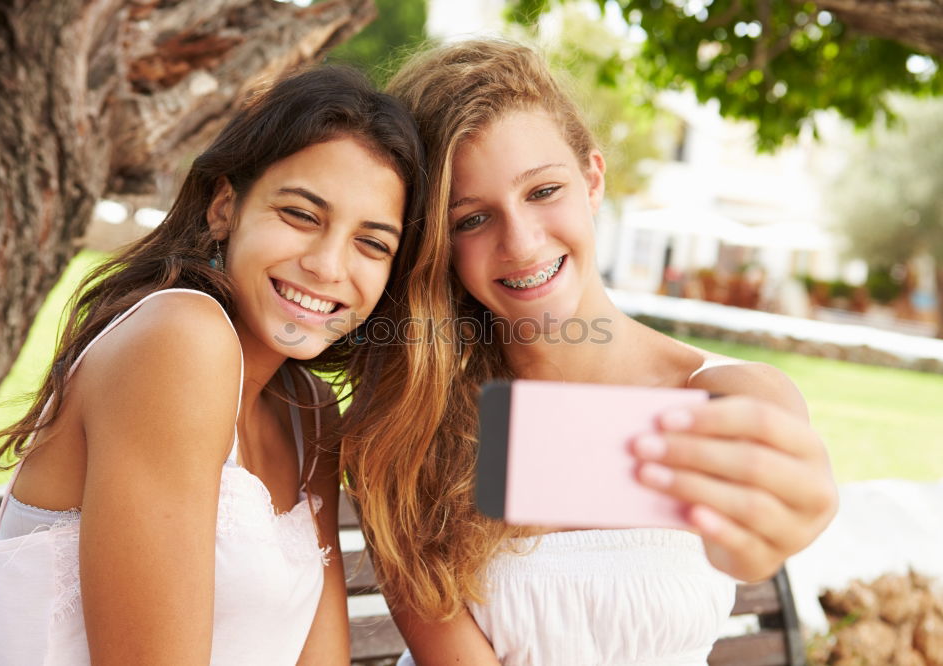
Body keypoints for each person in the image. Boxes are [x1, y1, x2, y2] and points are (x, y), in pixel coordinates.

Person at [338, 40, 838, 665]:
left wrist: (779, 519)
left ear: (592, 179)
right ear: (439, 243)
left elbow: (747, 553)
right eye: (470, 219)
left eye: (543, 191)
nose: (521, 243)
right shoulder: (411, 424)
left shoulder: (726, 396)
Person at [0, 65, 426, 665]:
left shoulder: (310, 413)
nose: (327, 265)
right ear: (224, 208)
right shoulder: (178, 338)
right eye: (301, 214)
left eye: (372, 243)